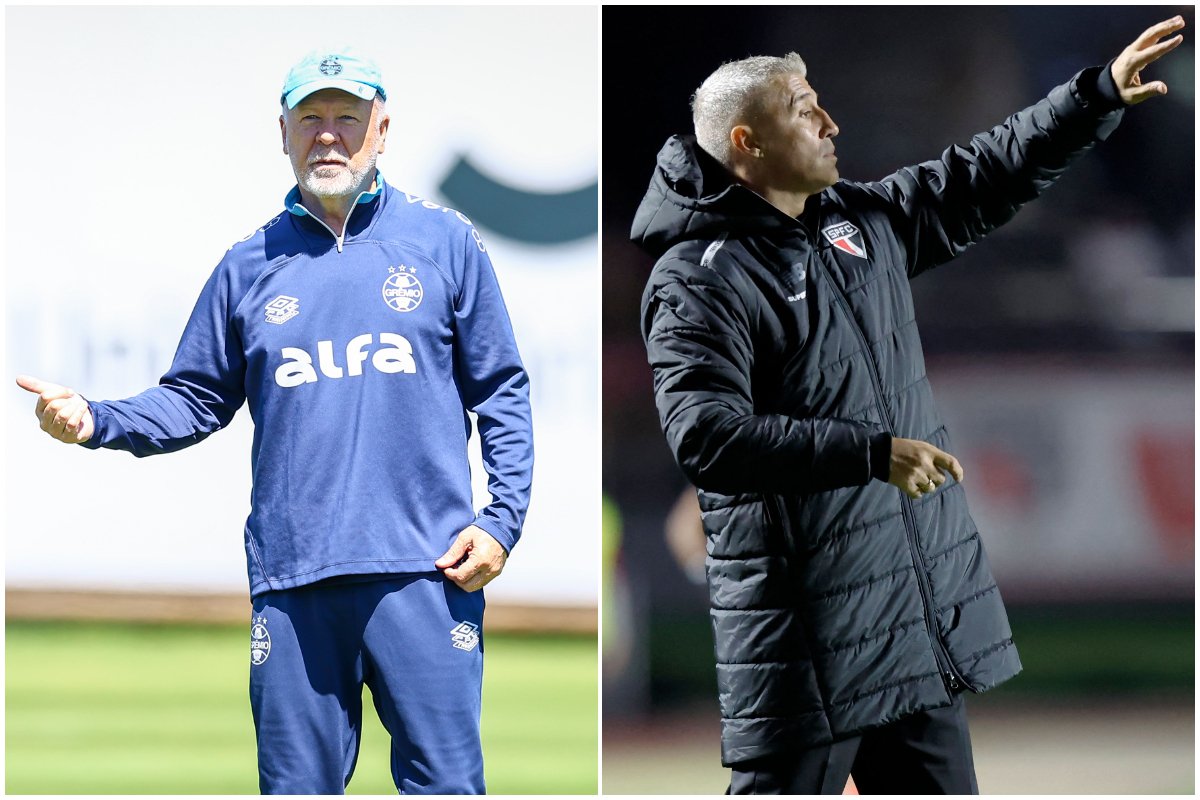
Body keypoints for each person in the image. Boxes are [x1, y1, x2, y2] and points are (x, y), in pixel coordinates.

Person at [634, 17, 1183, 796]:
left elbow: (981, 175)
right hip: (809, 643)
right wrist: (869, 452)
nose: (830, 123)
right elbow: (707, 435)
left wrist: (1091, 98)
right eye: (802, 110)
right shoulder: (698, 276)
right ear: (748, 143)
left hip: (906, 625)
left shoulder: (858, 223)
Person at [17, 48, 533, 795]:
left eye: (347, 119)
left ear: (382, 129)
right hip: (294, 580)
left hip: (425, 572)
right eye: (311, 119)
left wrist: (502, 521)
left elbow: (503, 391)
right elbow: (195, 398)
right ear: (283, 132)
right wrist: (95, 419)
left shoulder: (444, 244)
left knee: (448, 788)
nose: (328, 136)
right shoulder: (248, 264)